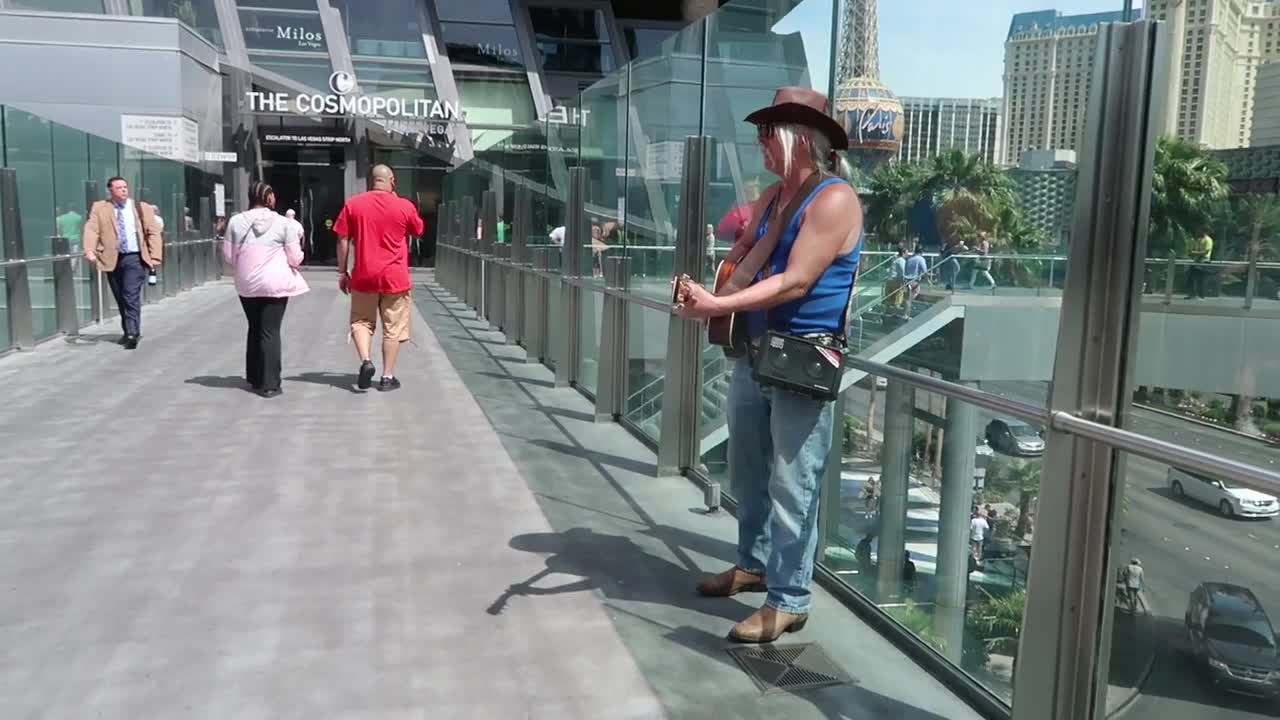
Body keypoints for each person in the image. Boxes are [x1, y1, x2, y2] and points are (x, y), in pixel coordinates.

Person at [677, 86, 862, 643]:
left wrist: (718, 303)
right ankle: (753, 566)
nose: (759, 141)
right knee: (750, 471)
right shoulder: (774, 199)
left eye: (767, 131)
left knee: (792, 482)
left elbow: (797, 280)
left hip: (801, 360)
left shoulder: (833, 200)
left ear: (798, 138)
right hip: (757, 354)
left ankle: (789, 599)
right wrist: (716, 283)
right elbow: (747, 260)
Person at [334, 164, 424, 391]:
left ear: (371, 181)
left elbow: (342, 239)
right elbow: (419, 229)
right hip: (395, 278)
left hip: (363, 276)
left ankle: (366, 360)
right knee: (393, 328)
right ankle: (387, 377)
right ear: (392, 180)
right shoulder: (404, 205)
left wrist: (343, 272)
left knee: (361, 321)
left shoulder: (354, 204)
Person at [223, 182, 310, 397]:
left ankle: (254, 376)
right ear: (269, 198)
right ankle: (271, 384)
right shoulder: (284, 223)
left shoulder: (235, 222)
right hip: (275, 284)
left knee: (254, 327)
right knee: (270, 330)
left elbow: (227, 256)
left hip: (247, 284)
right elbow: (295, 258)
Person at [82, 176, 163, 349]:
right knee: (120, 296)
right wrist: (89, 249)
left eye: (125, 187)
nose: (123, 190)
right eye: (118, 188)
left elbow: (153, 232)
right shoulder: (100, 208)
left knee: (130, 295)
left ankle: (133, 333)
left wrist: (155, 256)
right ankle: (127, 331)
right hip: (112, 258)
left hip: (134, 257)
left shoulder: (142, 208)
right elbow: (92, 229)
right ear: (110, 190)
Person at [1185, 226, 1214, 299]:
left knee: (1201, 280)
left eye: (1200, 230)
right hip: (1196, 261)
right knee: (1192, 278)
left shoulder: (1208, 240)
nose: (1198, 232)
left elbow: (1206, 251)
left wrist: (1194, 253)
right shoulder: (1199, 240)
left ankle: (1201, 296)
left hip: (1204, 262)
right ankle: (1192, 294)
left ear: (1205, 231)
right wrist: (1191, 253)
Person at [903, 244, 928, 316]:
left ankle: (908, 309)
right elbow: (924, 271)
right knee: (913, 295)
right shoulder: (921, 259)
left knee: (908, 297)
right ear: (921, 252)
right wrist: (928, 280)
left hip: (906, 280)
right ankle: (907, 312)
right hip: (914, 281)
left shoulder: (910, 258)